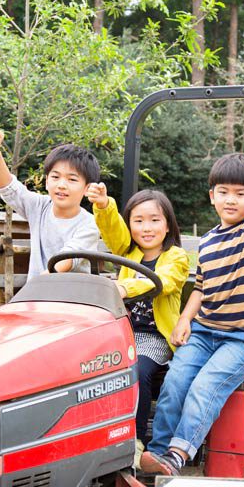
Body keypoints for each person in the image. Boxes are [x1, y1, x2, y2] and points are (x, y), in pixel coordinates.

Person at [140, 132, 244, 475]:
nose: (232, 200)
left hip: (243, 337)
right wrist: (185, 320)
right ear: (212, 196)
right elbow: (200, 287)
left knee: (205, 387)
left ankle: (178, 454)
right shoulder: (209, 240)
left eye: (241, 193)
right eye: (224, 192)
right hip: (204, 332)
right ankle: (156, 453)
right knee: (174, 383)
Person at [86, 184, 190, 461]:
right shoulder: (128, 252)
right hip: (123, 332)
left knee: (136, 371)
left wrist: (125, 288)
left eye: (155, 220)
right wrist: (103, 205)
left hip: (155, 336)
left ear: (168, 226)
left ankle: (135, 440)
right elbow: (112, 231)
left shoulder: (176, 257)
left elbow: (164, 282)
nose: (147, 228)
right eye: (138, 220)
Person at [0, 128, 100, 275]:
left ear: (87, 188)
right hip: (38, 292)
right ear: (46, 182)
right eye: (55, 177)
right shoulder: (39, 207)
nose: (61, 185)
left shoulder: (89, 224)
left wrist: (34, 288)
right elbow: (7, 187)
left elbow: (65, 260)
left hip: (72, 295)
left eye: (72, 179)